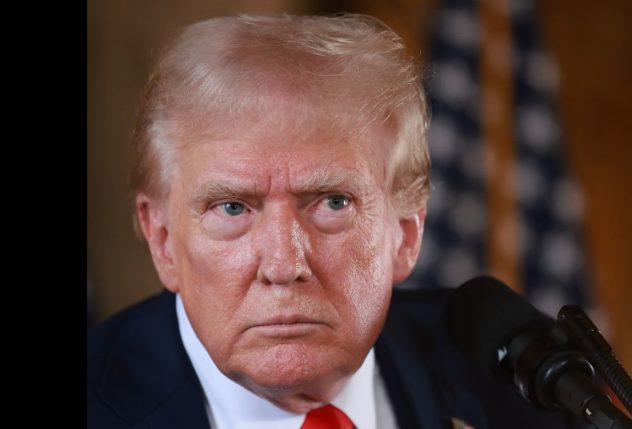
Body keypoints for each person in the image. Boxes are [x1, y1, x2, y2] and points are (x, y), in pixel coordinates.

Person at [87, 13, 582, 429]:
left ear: (406, 233)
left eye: (332, 203)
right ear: (163, 240)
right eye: (232, 208)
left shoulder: (526, 380)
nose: (283, 266)